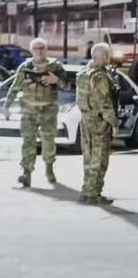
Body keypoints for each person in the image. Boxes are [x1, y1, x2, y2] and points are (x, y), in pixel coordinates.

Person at [3, 37, 68, 187]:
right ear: (31, 50)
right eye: (36, 48)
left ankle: (49, 170)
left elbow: (67, 86)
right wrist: (7, 106)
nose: (39, 51)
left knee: (48, 142)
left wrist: (56, 80)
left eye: (42, 48)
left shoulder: (55, 66)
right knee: (28, 142)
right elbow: (15, 86)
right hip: (28, 111)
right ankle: (26, 173)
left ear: (46, 50)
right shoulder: (25, 66)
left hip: (48, 111)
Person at [76, 42, 119, 204]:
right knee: (99, 160)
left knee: (88, 157)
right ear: (104, 57)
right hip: (99, 121)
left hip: (85, 119)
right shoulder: (100, 76)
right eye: (108, 56)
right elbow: (105, 103)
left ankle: (86, 192)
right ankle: (94, 194)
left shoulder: (83, 73)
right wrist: (114, 124)